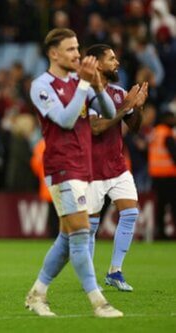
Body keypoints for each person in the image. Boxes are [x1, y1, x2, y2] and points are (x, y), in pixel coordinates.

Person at [26, 28, 122, 318]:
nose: (78, 55)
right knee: (81, 233)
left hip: (84, 167)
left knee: (68, 239)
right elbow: (66, 121)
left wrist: (97, 85)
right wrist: (83, 84)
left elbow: (107, 111)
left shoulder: (78, 82)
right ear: (53, 53)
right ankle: (99, 303)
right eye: (70, 49)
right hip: (61, 166)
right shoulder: (42, 85)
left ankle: (37, 294)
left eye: (78, 49)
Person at [85, 44, 148, 291]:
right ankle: (88, 276)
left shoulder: (120, 93)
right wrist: (125, 108)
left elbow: (134, 127)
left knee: (131, 212)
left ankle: (115, 271)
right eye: (111, 58)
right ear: (98, 64)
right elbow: (96, 127)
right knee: (90, 226)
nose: (117, 62)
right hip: (91, 169)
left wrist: (137, 106)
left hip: (117, 166)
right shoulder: (86, 94)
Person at [148, 108, 176, 239]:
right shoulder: (167, 133)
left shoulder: (155, 132)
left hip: (156, 175)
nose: (173, 121)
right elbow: (173, 154)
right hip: (169, 175)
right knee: (173, 205)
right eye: (171, 118)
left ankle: (160, 233)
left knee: (160, 206)